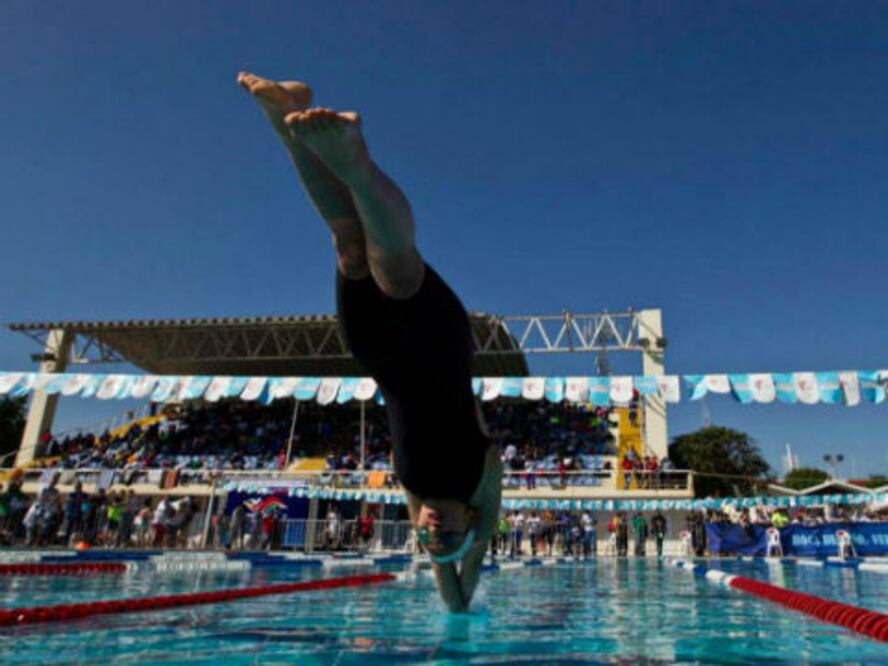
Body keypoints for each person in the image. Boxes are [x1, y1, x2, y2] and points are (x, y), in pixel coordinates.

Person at [240, 72, 502, 612]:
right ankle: (355, 162)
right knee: (395, 267)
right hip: (439, 347)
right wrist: (459, 578)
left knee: (348, 248)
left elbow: (439, 551)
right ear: (470, 524)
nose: (434, 530)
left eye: (429, 536)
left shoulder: (414, 493)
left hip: (378, 352)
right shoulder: (481, 484)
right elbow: (458, 578)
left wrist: (440, 554)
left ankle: (282, 117)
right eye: (446, 535)